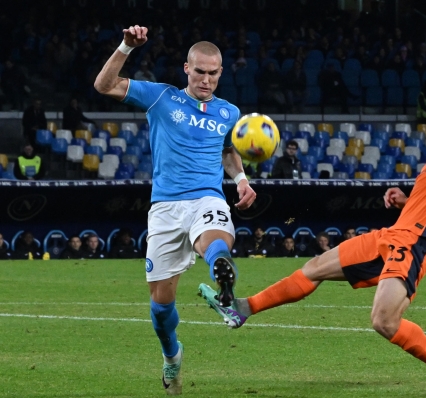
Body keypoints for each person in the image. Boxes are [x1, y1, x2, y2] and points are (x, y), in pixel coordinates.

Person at [198, 36, 426, 398]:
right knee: (315, 266)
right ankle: (242, 309)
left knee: (383, 320)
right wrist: (405, 198)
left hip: (415, 243)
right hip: (394, 234)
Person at [94, 24, 256, 395]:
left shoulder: (229, 113)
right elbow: (104, 85)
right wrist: (125, 47)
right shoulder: (160, 97)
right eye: (199, 71)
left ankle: (220, 270)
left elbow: (229, 151)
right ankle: (172, 356)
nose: (206, 79)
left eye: (213, 73)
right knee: (160, 308)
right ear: (186, 68)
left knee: (214, 233)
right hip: (165, 207)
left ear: (220, 73)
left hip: (207, 198)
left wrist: (242, 179)